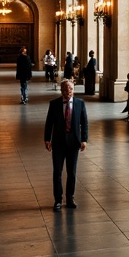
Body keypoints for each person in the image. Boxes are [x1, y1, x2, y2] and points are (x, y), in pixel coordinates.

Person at [44, 79, 88, 211]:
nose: (68, 92)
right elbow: (49, 123)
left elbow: (84, 123)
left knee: (72, 172)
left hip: (74, 142)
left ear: (73, 90)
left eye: (70, 90)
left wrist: (84, 139)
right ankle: (58, 199)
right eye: (65, 90)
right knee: (57, 172)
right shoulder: (54, 104)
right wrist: (47, 139)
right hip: (58, 142)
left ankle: (70, 198)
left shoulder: (80, 103)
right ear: (61, 90)